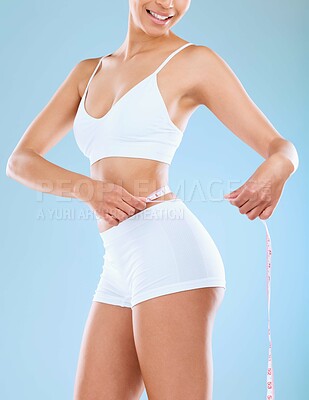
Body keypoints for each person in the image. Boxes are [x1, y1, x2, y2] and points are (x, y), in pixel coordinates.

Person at [6, 1, 299, 399]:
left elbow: (281, 147)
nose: (168, 4)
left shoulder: (194, 61)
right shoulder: (87, 72)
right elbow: (21, 161)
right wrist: (89, 189)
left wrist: (280, 168)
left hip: (169, 254)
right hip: (118, 262)